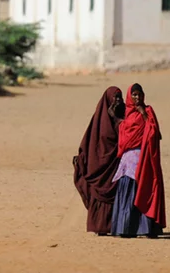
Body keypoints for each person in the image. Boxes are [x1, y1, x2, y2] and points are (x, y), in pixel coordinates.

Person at [111, 83, 166, 238]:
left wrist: (144, 115)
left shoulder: (148, 111)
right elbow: (123, 132)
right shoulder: (127, 113)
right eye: (134, 95)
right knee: (128, 192)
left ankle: (147, 229)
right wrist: (114, 117)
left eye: (139, 94)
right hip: (128, 161)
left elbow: (157, 134)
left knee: (144, 189)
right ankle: (126, 229)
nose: (137, 97)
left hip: (144, 159)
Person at [73, 86, 125, 235]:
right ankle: (100, 226)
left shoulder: (124, 116)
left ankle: (115, 225)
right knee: (100, 191)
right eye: (115, 97)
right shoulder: (99, 118)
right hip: (100, 165)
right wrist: (82, 158)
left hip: (116, 163)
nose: (117, 100)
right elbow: (89, 140)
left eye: (119, 97)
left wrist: (116, 118)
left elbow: (128, 133)